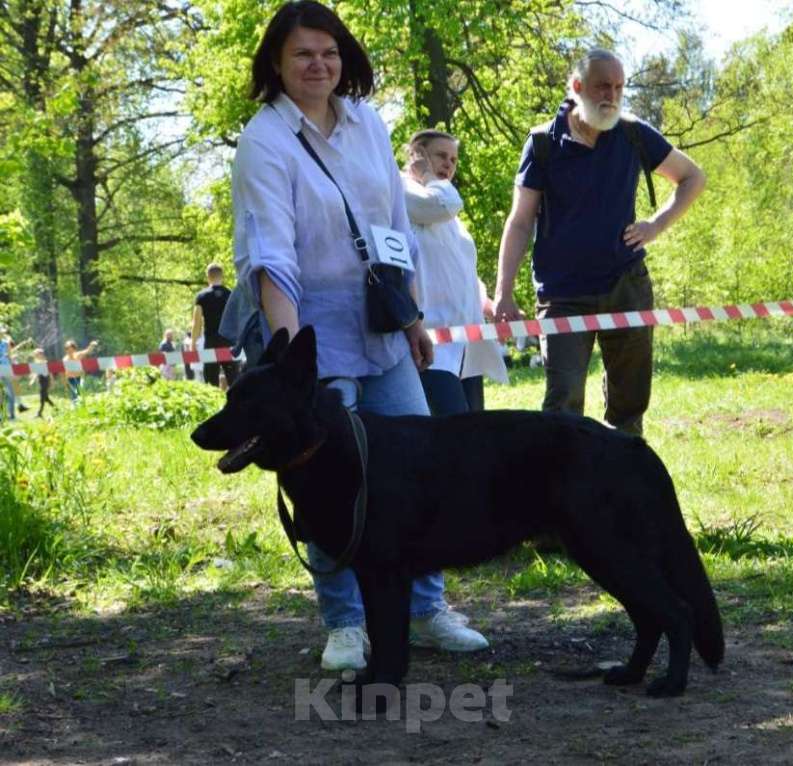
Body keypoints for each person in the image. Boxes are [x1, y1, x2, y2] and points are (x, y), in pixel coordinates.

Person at [232, 0, 488, 672]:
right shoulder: (263, 139)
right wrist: (292, 364)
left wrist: (409, 317)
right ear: (276, 65)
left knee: (420, 469)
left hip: (378, 320)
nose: (317, 65)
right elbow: (270, 253)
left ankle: (425, 608)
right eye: (301, 54)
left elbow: (392, 229)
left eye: (328, 52)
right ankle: (345, 622)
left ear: (343, 59)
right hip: (308, 326)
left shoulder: (368, 123)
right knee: (324, 477)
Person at [493, 48, 706, 436]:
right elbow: (521, 222)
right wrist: (503, 291)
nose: (611, 95)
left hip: (626, 286)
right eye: (602, 86)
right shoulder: (542, 143)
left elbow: (693, 177)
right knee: (563, 403)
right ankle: (560, 490)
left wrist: (656, 225)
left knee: (629, 405)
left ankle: (621, 488)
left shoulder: (633, 133)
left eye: (619, 87)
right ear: (577, 87)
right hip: (563, 296)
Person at [402, 130, 507, 414]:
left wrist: (487, 304)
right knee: (453, 441)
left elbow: (460, 268)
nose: (448, 164)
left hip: (465, 346)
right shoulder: (405, 191)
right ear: (416, 156)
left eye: (454, 159)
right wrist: (426, 175)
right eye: (440, 156)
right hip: (431, 345)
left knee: (474, 439)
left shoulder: (448, 211)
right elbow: (442, 204)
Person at [191, 263, 239, 388]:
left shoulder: (202, 296)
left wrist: (193, 343)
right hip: (229, 343)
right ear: (222, 276)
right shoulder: (230, 294)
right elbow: (237, 319)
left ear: (208, 277)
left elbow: (197, 323)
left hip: (211, 343)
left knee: (211, 384)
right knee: (234, 381)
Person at [62, 339, 98, 404]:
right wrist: (65, 382)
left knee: (80, 394)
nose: (69, 351)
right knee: (74, 395)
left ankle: (82, 407)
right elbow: (65, 372)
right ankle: (75, 408)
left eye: (71, 349)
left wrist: (91, 345)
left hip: (80, 378)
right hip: (71, 380)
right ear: (66, 350)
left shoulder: (78, 355)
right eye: (67, 349)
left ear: (74, 349)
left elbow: (87, 351)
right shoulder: (65, 359)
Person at [30, 348, 56, 417]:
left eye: (36, 354)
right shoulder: (36, 363)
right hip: (41, 381)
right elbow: (36, 373)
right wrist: (32, 380)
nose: (35, 356)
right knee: (46, 398)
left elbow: (50, 373)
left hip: (45, 381)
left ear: (41, 355)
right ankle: (56, 409)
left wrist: (52, 382)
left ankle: (39, 413)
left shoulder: (45, 362)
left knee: (42, 397)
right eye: (35, 354)